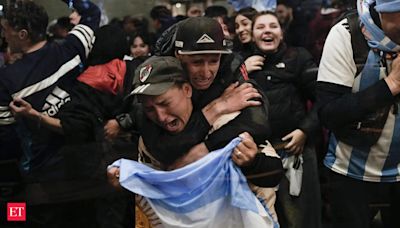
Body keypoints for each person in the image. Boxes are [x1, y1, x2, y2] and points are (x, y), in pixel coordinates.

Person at [107, 55, 283, 226]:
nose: (160, 116)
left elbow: (273, 174)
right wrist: (128, 180)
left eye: (165, 103)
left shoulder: (226, 125)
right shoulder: (150, 141)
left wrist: (252, 162)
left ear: (186, 90)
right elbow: (154, 191)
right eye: (150, 109)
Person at [0, 0, 100, 226]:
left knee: (29, 219)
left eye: (6, 30)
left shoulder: (7, 81)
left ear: (23, 34)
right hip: (87, 163)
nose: (4, 36)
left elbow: (7, 140)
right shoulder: (72, 48)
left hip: (41, 174)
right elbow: (92, 11)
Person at [317, 0, 400, 227]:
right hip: (352, 174)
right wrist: (391, 84)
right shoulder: (346, 34)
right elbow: (328, 113)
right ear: (383, 10)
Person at [247, 11, 321, 228]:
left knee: (300, 219)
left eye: (273, 26)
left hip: (294, 150)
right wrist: (243, 71)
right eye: (260, 27)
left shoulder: (297, 57)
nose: (267, 30)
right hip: (258, 157)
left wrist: (305, 131)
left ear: (281, 33)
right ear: (252, 36)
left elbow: (324, 99)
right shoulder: (240, 63)